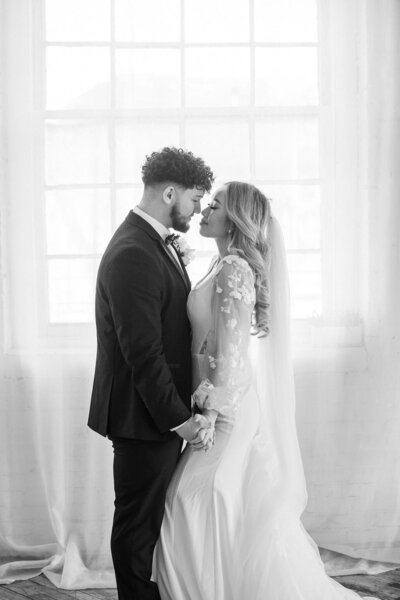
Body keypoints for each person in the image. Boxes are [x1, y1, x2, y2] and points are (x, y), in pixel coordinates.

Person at [153, 181, 379, 600]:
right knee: (208, 502)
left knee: (186, 500)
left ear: (235, 218)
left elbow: (233, 353)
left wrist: (211, 414)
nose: (205, 210)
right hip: (218, 401)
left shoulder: (235, 269)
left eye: (216, 205)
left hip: (229, 408)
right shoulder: (220, 265)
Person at [87, 147, 215, 600]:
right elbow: (142, 351)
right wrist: (177, 418)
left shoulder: (149, 242)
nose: (198, 209)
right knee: (136, 527)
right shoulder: (133, 253)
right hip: (144, 416)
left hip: (156, 412)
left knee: (149, 521)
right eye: (196, 200)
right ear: (169, 192)